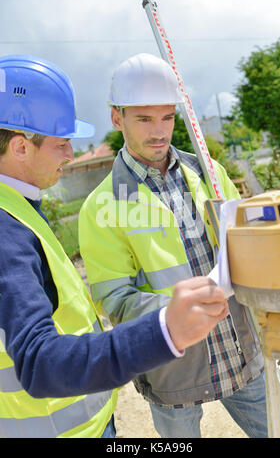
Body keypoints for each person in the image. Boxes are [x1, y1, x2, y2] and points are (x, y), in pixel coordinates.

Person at [0, 54, 229, 439]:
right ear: (21, 147)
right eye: (62, 143)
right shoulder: (7, 232)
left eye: (167, 116)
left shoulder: (20, 209)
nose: (71, 155)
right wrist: (164, 330)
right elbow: (38, 362)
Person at [78, 53, 269, 438]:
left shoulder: (208, 172)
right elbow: (114, 299)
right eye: (144, 119)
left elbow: (243, 242)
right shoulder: (101, 206)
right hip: (172, 373)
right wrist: (178, 311)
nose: (159, 131)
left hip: (241, 353)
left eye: (167, 117)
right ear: (118, 118)